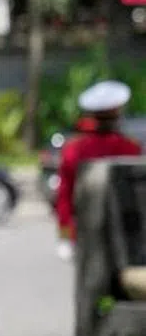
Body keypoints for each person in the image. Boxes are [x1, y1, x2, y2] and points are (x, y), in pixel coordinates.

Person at [55, 80, 142, 261]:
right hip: (127, 233)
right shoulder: (130, 148)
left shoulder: (73, 149)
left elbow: (64, 196)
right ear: (118, 111)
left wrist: (64, 236)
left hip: (86, 232)